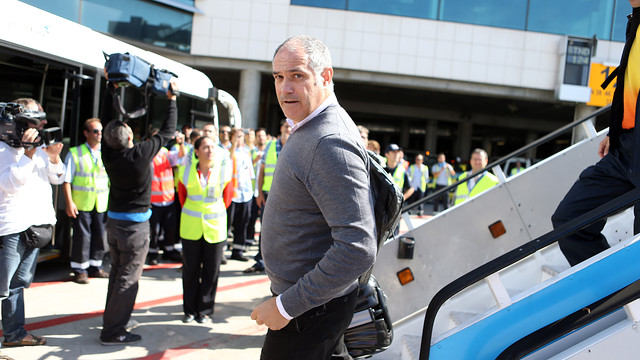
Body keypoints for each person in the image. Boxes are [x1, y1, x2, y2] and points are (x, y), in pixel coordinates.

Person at [250, 35, 376, 360]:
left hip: (308, 313)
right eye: (278, 77)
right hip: (312, 308)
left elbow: (357, 247)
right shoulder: (311, 126)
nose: (285, 88)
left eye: (297, 75)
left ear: (325, 76)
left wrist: (285, 307)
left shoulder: (327, 142)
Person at [552, 0, 640, 266]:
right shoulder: (635, 20)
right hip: (626, 145)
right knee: (570, 219)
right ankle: (612, 291)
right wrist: (617, 131)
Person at [99, 79, 178, 345]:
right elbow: (168, 131)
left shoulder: (108, 156)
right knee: (127, 278)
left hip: (114, 223)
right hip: (135, 228)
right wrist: (172, 99)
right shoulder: (141, 154)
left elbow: (107, 125)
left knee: (117, 272)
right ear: (130, 137)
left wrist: (111, 94)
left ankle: (112, 319)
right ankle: (113, 331)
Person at [0, 99, 65, 348]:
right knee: (3, 287)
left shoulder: (39, 150)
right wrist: (27, 154)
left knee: (17, 285)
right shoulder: (4, 151)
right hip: (12, 229)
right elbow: (9, 184)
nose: (42, 125)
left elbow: (58, 178)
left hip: (35, 228)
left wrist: (55, 158)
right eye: (36, 120)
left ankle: (15, 334)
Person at [177, 135, 231, 324]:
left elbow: (228, 197)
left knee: (211, 271)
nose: (210, 150)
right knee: (190, 271)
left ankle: (205, 310)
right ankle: (190, 311)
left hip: (215, 228)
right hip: (191, 228)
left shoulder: (222, 171)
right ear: (197, 151)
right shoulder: (185, 171)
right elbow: (182, 196)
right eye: (206, 147)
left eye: (212, 147)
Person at [62, 118, 109, 284]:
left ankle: (96, 266)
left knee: (100, 235)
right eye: (96, 131)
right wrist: (69, 202)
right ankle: (80, 270)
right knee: (82, 237)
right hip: (81, 202)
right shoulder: (75, 153)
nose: (99, 134)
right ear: (86, 133)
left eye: (101, 131)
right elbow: (66, 180)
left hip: (101, 202)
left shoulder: (106, 152)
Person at [243, 121, 291, 274]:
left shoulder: (298, 145)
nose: (288, 129)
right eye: (286, 127)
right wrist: (259, 193)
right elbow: (262, 171)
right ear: (281, 129)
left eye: (290, 127)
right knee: (266, 230)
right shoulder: (270, 146)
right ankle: (261, 260)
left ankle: (282, 261)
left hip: (290, 197)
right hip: (269, 195)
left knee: (287, 230)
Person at [147, 129, 186, 265]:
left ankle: (169, 251)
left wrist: (181, 144)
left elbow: (180, 157)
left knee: (170, 227)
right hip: (153, 200)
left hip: (168, 198)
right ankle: (152, 253)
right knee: (153, 230)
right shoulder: (147, 153)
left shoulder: (165, 152)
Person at [227, 128, 254, 261]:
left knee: (242, 223)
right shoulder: (227, 151)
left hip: (245, 193)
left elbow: (249, 172)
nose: (240, 139)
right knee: (227, 223)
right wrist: (233, 145)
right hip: (232, 194)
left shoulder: (246, 152)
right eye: (237, 136)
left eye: (242, 136)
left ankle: (238, 250)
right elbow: (229, 161)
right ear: (231, 138)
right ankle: (221, 250)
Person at [246, 128, 268, 244]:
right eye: (258, 136)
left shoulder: (269, 150)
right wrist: (254, 160)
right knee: (251, 216)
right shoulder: (251, 151)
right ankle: (249, 238)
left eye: (262, 135)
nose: (260, 138)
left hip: (264, 190)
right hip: (252, 189)